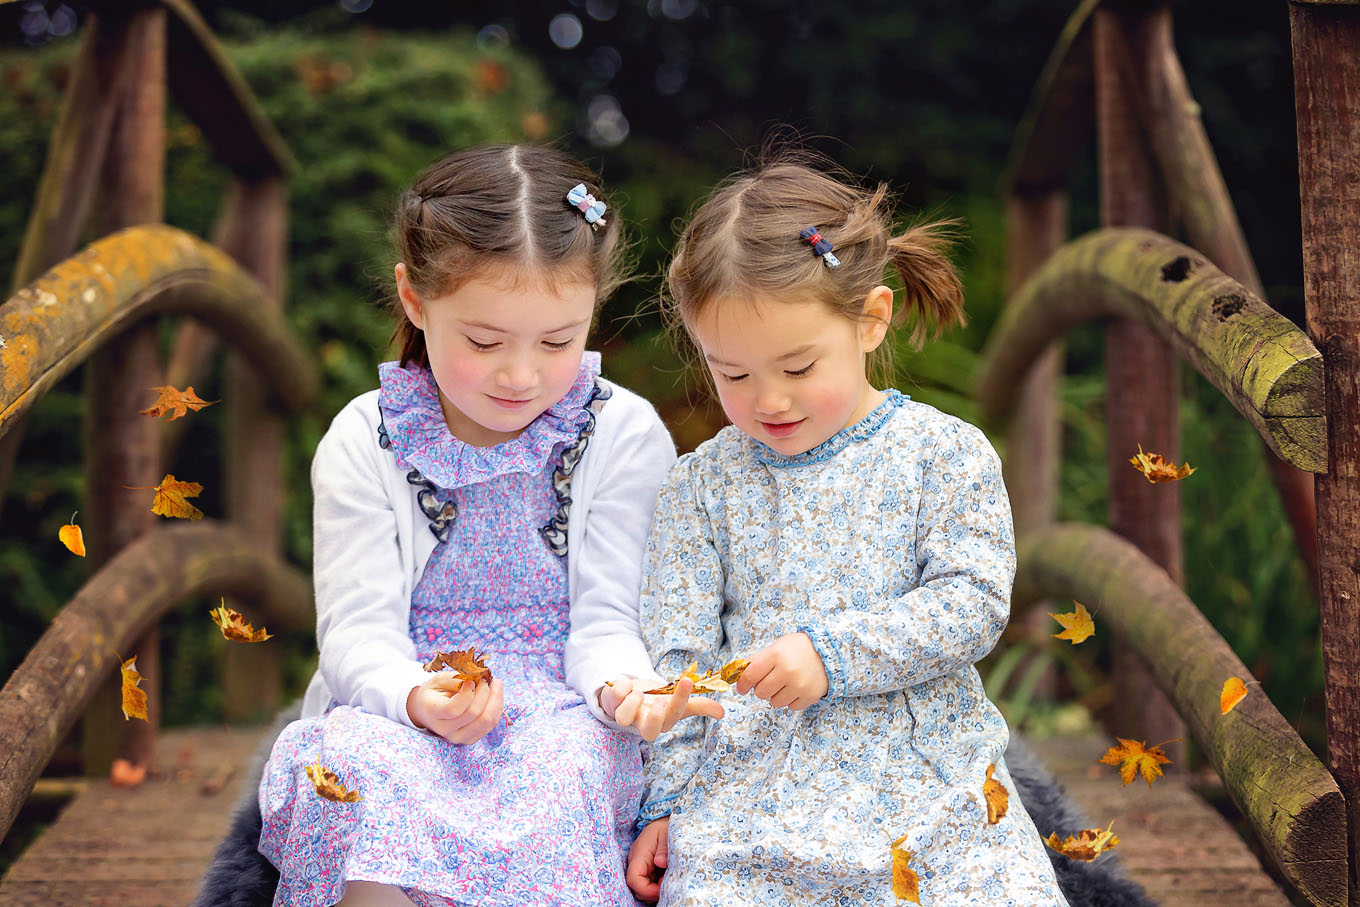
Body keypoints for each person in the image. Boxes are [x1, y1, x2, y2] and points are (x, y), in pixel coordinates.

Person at [257, 144, 718, 907]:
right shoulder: (364, 437)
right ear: (414, 300)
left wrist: (626, 689)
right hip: (402, 695)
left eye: (558, 340)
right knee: (359, 775)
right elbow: (356, 633)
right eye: (483, 340)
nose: (521, 375)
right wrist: (415, 694)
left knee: (565, 764)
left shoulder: (623, 434)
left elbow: (607, 621)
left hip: (564, 699)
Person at [626, 157, 1069, 905]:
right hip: (757, 786)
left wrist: (833, 655)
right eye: (731, 373)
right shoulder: (702, 485)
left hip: (929, 772)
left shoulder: (944, 454)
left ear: (869, 320)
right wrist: (664, 800)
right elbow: (680, 651)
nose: (768, 399)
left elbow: (974, 601)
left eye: (798, 366)